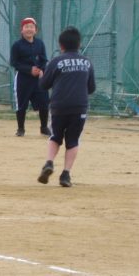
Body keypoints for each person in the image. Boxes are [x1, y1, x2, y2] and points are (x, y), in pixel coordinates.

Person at [36, 27, 95, 188]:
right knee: (73, 140)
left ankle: (49, 162)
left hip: (59, 106)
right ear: (79, 44)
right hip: (79, 107)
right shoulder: (87, 62)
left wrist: (41, 77)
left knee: (55, 137)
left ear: (61, 45)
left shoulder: (56, 61)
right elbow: (91, 88)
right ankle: (66, 174)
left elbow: (44, 85)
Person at [10, 16, 50, 137]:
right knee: (22, 104)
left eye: (32, 27)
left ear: (35, 30)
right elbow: (14, 62)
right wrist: (29, 70)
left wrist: (41, 70)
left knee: (44, 102)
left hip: (38, 79)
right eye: (26, 27)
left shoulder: (40, 43)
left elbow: (44, 59)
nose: (29, 29)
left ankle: (44, 128)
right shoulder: (17, 45)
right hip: (23, 79)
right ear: (22, 30)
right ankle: (21, 129)